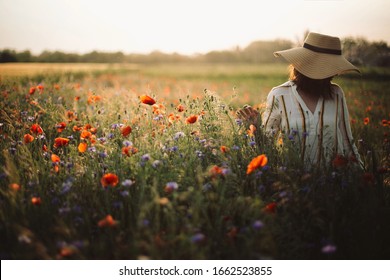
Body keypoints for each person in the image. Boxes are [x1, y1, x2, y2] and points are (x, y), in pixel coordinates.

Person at [237, 32, 363, 169]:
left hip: (333, 182)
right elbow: (267, 147)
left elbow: (347, 142)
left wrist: (363, 178)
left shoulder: (336, 94)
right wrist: (255, 128)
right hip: (295, 182)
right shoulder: (279, 95)